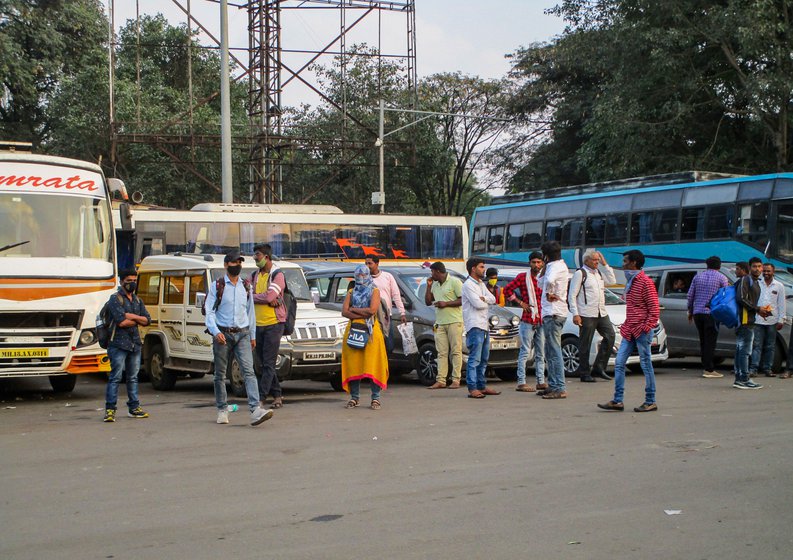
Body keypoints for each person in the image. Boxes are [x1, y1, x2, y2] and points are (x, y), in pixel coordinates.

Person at [205, 250, 273, 426]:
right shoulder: (217, 286)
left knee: (249, 372)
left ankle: (255, 410)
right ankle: (222, 408)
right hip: (222, 333)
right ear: (226, 265)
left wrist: (252, 335)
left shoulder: (245, 286)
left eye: (240, 263)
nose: (238, 266)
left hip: (242, 333)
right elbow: (209, 311)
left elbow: (250, 312)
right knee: (220, 374)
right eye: (234, 263)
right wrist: (215, 331)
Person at [598, 250, 660, 412]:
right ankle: (618, 400)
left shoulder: (644, 282)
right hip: (630, 329)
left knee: (646, 365)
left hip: (641, 330)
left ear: (633, 263)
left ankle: (650, 400)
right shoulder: (631, 281)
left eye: (625, 261)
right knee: (619, 364)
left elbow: (654, 309)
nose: (623, 264)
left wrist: (645, 327)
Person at [103, 269, 151, 422]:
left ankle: (134, 408)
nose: (132, 283)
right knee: (115, 378)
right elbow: (121, 321)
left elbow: (147, 320)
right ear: (122, 281)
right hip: (118, 344)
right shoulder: (115, 299)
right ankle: (110, 410)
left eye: (134, 280)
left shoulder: (137, 300)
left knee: (133, 378)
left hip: (135, 344)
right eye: (129, 280)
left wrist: (132, 316)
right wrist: (138, 320)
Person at [341, 265, 389, 409]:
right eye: (358, 275)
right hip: (353, 331)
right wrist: (362, 312)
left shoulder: (374, 291)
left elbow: (372, 310)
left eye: (363, 275)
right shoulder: (351, 291)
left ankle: (376, 398)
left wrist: (354, 309)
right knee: (353, 365)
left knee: (373, 364)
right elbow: (344, 312)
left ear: (368, 275)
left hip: (371, 332)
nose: (361, 278)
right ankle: (354, 397)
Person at [568, 249, 616, 383]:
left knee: (610, 336)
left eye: (598, 260)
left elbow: (612, 281)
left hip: (601, 312)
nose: (597, 262)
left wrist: (605, 264)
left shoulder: (598, 272)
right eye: (595, 260)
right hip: (586, 313)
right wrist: (575, 314)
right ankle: (584, 373)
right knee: (585, 343)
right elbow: (572, 295)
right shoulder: (580, 274)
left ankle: (599, 367)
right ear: (587, 260)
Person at [503, 250, 545, 392]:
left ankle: (540, 381)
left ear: (542, 263)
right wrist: (520, 303)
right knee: (525, 351)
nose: (536, 265)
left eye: (539, 262)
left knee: (541, 352)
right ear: (529, 263)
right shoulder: (523, 277)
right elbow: (507, 290)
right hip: (527, 318)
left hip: (542, 318)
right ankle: (521, 382)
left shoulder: (545, 278)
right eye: (534, 262)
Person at [252, 243, 286, 408]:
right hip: (257, 325)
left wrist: (255, 296)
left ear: (266, 256)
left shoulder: (277, 275)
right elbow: (254, 295)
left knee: (268, 363)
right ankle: (278, 395)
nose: (254, 258)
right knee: (262, 363)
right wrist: (261, 296)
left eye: (257, 255)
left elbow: (270, 296)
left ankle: (261, 397)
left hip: (273, 324)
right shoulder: (255, 275)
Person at [687, 256, 729, 378]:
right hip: (711, 314)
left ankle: (706, 365)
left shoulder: (698, 276)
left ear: (707, 265)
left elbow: (690, 295)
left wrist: (690, 310)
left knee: (703, 340)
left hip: (697, 313)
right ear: (719, 266)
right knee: (710, 342)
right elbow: (724, 297)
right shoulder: (722, 278)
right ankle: (709, 369)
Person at [462, 257, 499, 398]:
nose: (484, 270)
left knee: (484, 358)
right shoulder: (468, 285)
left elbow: (493, 299)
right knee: (474, 358)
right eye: (482, 267)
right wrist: (484, 300)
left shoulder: (481, 284)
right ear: (473, 268)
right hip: (475, 325)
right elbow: (478, 304)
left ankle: (481, 385)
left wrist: (485, 299)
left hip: (484, 325)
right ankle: (472, 388)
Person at [424, 261, 464, 389]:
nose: (431, 274)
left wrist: (446, 304)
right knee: (441, 352)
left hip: (454, 321)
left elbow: (463, 299)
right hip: (440, 322)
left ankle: (456, 379)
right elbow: (428, 302)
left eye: (432, 272)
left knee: (456, 351)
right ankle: (441, 379)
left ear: (438, 271)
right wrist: (428, 287)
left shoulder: (455, 282)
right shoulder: (435, 284)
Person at [733, 257, 770, 390]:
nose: (758, 269)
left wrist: (759, 311)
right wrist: (757, 309)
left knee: (740, 350)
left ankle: (739, 378)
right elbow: (741, 298)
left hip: (749, 319)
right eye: (755, 266)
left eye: (760, 266)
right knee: (745, 351)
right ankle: (744, 379)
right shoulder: (746, 279)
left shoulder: (754, 281)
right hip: (744, 320)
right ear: (749, 267)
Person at [539, 240, 569, 400]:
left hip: (553, 311)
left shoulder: (555, 267)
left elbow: (548, 281)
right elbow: (540, 282)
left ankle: (559, 386)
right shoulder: (556, 266)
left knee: (554, 350)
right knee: (550, 350)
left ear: (546, 256)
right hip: (555, 312)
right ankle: (553, 384)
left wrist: (550, 292)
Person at [749, 262, 785, 378]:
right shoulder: (756, 283)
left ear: (773, 272)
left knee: (770, 346)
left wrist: (781, 319)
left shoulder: (779, 286)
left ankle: (767, 369)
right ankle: (753, 368)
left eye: (768, 271)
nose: (766, 273)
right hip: (758, 320)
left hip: (772, 321)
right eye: (764, 271)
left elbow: (781, 304)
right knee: (757, 345)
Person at [365, 256, 406, 350]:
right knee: (374, 345)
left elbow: (396, 295)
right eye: (366, 263)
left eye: (370, 263)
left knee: (389, 345)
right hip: (371, 317)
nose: (367, 266)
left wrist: (402, 313)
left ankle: (385, 363)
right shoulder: (365, 279)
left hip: (386, 316)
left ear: (377, 264)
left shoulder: (387, 276)